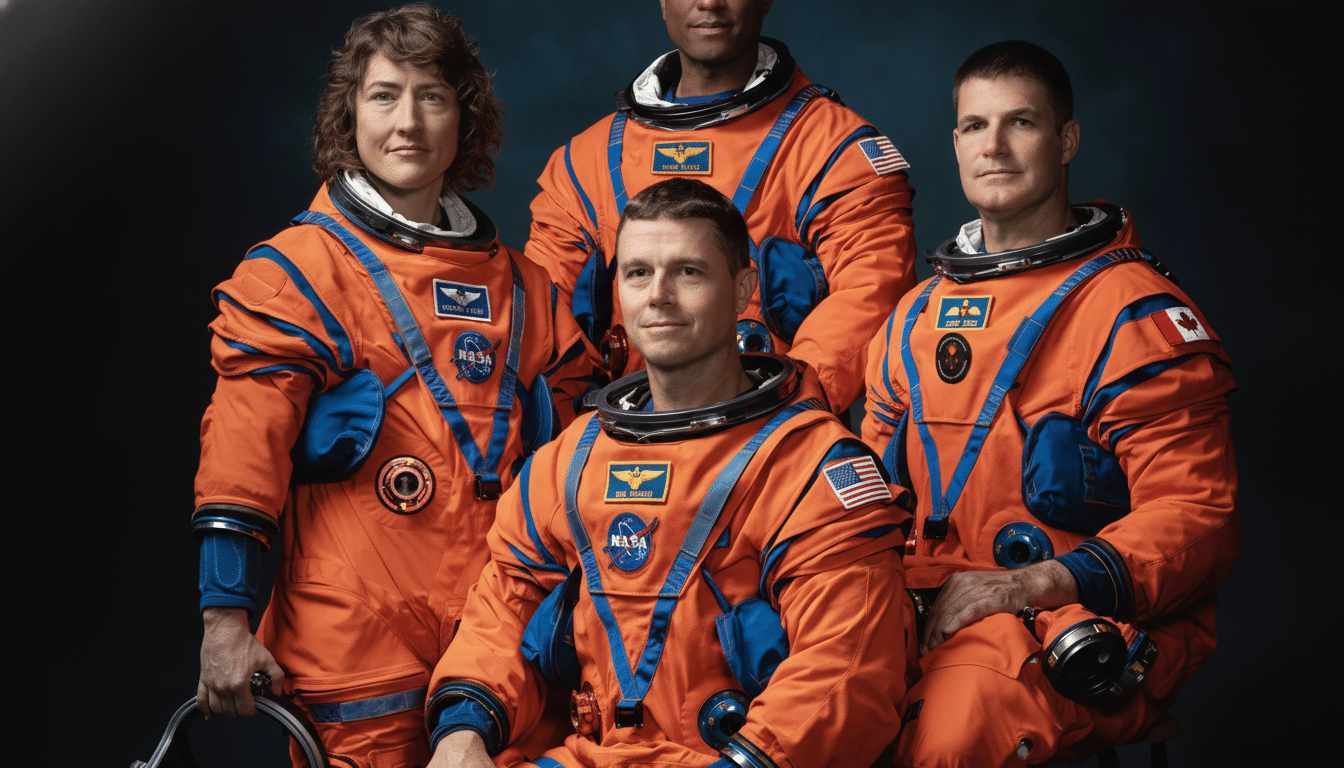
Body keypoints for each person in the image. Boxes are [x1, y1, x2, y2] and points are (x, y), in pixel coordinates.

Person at [192, 5, 580, 765]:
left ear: (465, 118)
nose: (408, 122)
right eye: (384, 96)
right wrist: (224, 620)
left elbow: (581, 471)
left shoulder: (528, 292)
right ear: (351, 114)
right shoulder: (299, 273)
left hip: (502, 638)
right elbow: (242, 450)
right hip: (355, 644)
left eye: (432, 96)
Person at [426, 178, 912, 768]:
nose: (658, 296)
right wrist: (462, 734)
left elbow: (847, 668)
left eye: (688, 272)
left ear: (742, 290)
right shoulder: (570, 460)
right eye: (638, 273)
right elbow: (504, 608)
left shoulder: (812, 465)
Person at [862, 41, 1239, 766]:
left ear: (1066, 140)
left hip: (1077, 615)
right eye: (975, 126)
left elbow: (1198, 517)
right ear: (955, 142)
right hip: (927, 603)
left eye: (1021, 123)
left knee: (947, 739)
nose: (994, 146)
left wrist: (1031, 583)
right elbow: (870, 505)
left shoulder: (1132, 314)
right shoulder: (913, 318)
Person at [529, 0, 916, 420]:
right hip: (622, 439)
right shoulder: (586, 164)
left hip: (774, 437)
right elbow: (542, 316)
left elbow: (873, 290)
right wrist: (589, 432)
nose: (709, 2)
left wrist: (779, 410)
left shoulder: (831, 148)